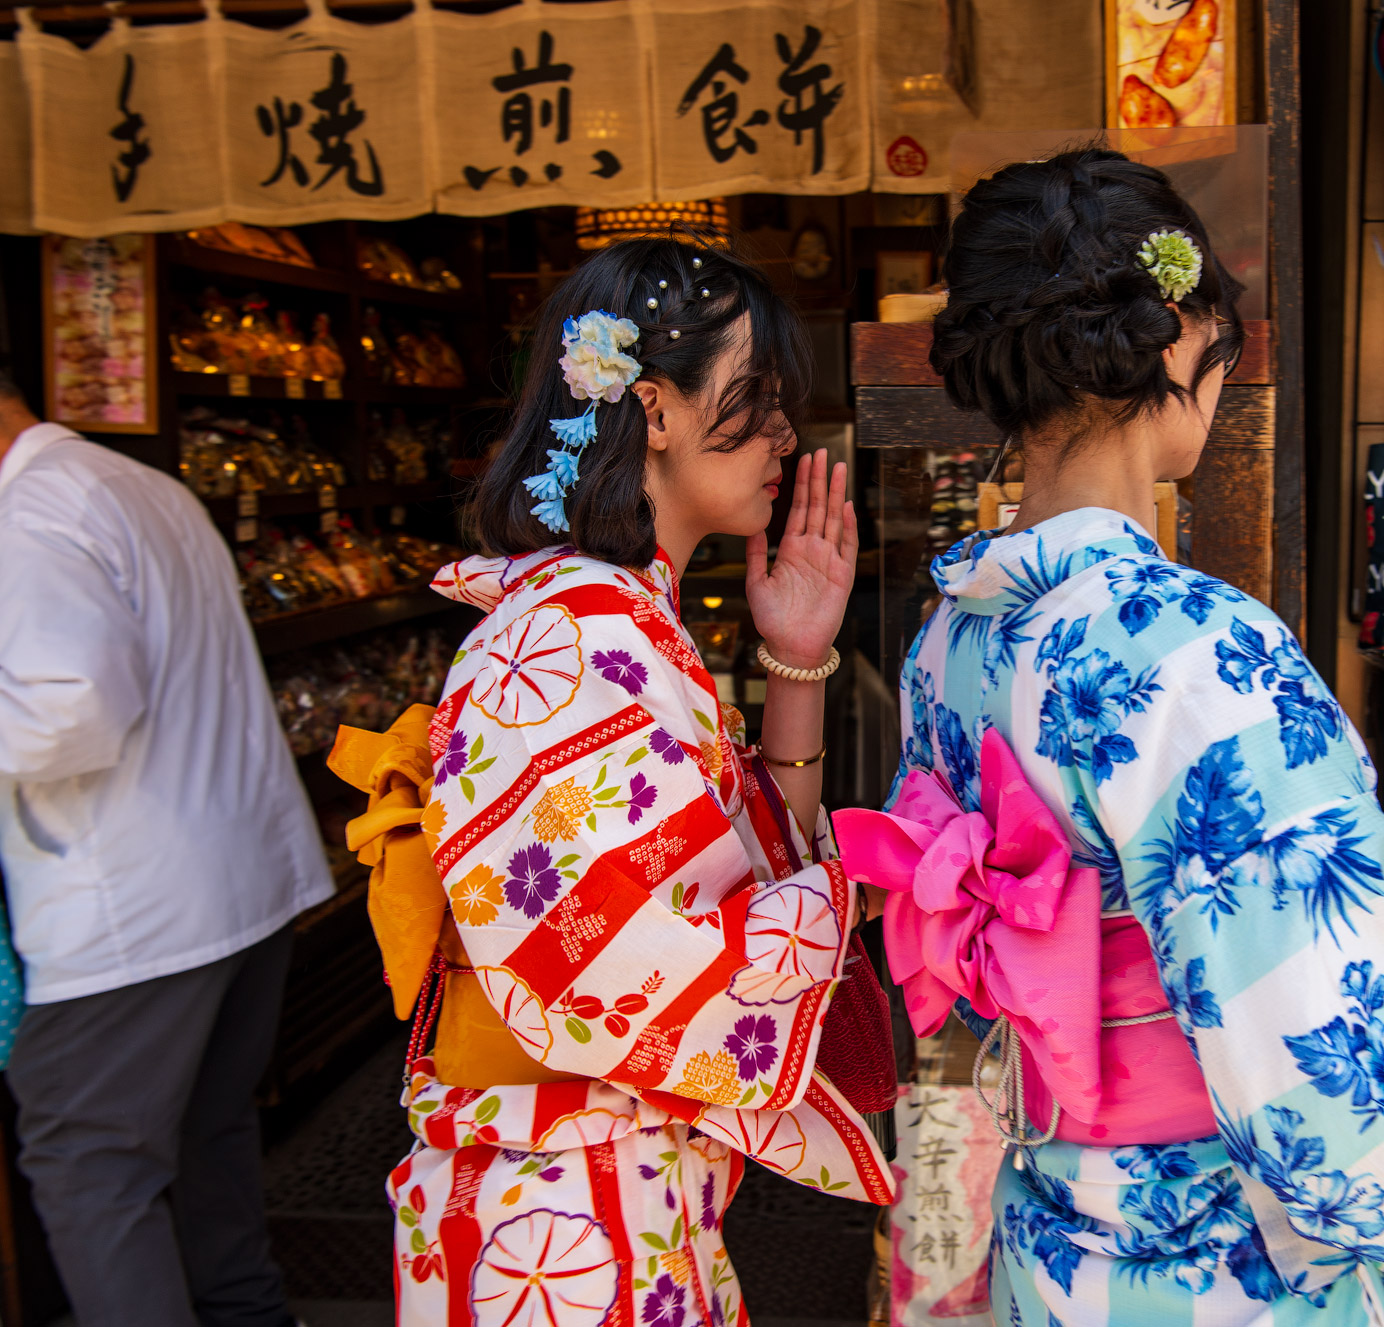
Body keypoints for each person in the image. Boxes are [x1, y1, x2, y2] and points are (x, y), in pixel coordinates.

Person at [862, 150, 1384, 1323]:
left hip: (1055, 1240)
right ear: (1176, 335)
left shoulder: (947, 648)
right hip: (1224, 1264)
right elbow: (1312, 1062)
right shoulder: (1191, 651)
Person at [388, 237, 888, 1326]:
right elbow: (626, 963)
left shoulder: (609, 620)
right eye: (751, 400)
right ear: (652, 410)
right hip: (560, 1201)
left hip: (608, 1181)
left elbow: (725, 887)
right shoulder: (569, 636)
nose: (779, 436)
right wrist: (874, 880)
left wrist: (796, 659)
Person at [0, 369, 333, 1327]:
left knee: (87, 1165)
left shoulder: (28, 513)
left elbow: (71, 707)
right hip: (244, 886)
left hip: (130, 913)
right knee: (206, 1139)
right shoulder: (136, 483)